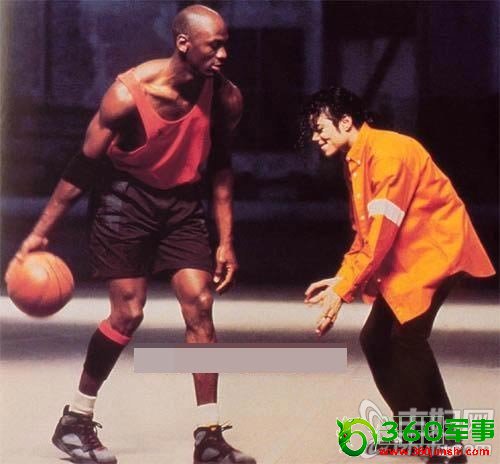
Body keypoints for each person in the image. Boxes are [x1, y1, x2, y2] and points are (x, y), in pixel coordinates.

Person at [12, 5, 256, 464]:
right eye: (214, 46)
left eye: (226, 46)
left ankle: (209, 437)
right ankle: (75, 420)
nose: (223, 55)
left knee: (200, 304)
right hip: (125, 200)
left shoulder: (226, 97)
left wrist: (226, 240)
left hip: (182, 203)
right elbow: (81, 169)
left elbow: (222, 170)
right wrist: (40, 234)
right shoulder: (128, 95)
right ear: (184, 43)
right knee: (128, 313)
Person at [301, 87, 495, 464]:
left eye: (319, 127)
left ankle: (447, 447)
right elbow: (364, 233)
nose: (314, 137)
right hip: (411, 257)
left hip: (435, 252)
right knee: (375, 339)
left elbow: (380, 235)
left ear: (346, 122)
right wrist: (341, 279)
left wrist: (343, 290)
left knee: (407, 340)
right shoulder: (358, 158)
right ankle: (419, 434)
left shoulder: (388, 154)